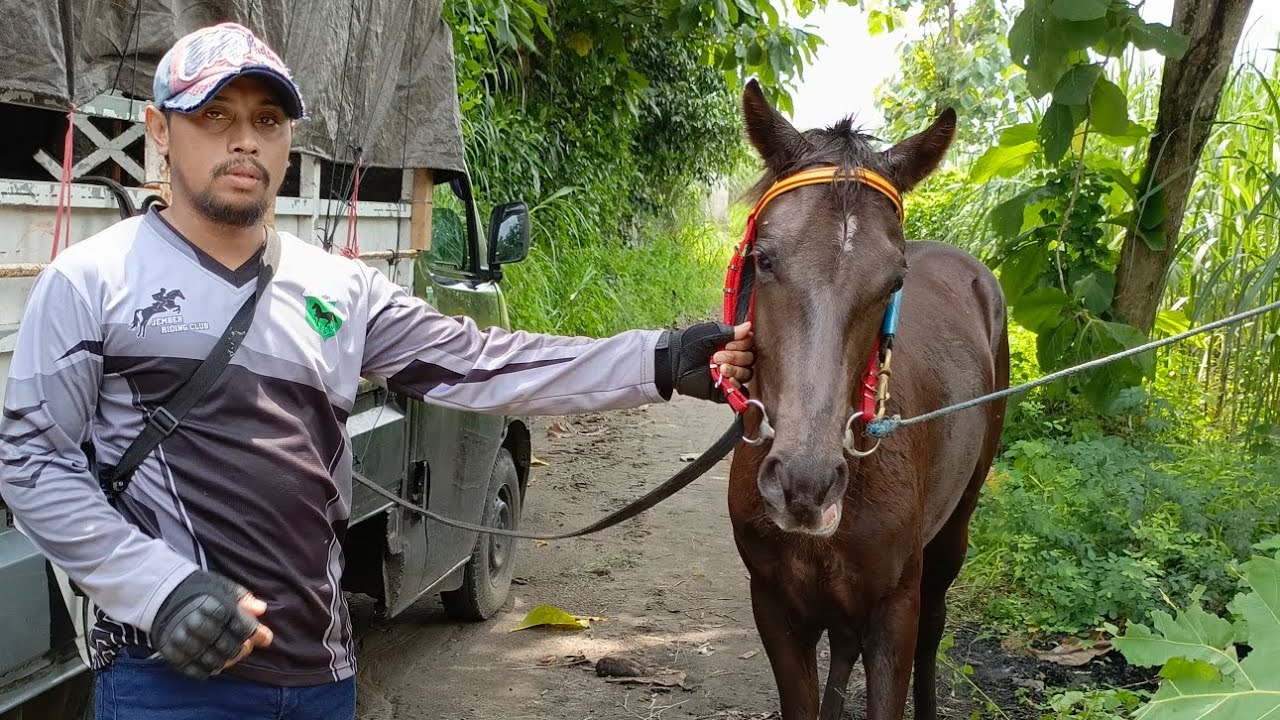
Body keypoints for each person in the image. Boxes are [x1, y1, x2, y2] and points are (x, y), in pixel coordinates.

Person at [0, 22, 753, 720]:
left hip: (322, 672)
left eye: (266, 120)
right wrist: (159, 593)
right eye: (214, 116)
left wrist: (658, 359)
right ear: (159, 130)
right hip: (166, 678)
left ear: (289, 138)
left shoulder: (339, 290)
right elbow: (33, 463)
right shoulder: (92, 282)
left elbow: (482, 362)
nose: (244, 141)